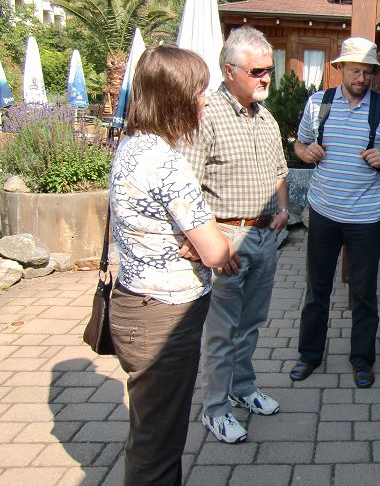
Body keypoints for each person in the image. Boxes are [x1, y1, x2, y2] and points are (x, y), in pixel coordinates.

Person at [109, 45, 239, 485]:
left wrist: (193, 238)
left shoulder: (130, 145)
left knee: (150, 433)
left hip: (134, 302)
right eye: (199, 92)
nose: (205, 101)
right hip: (164, 317)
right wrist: (215, 241)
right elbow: (216, 251)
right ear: (174, 99)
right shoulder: (167, 163)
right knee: (159, 447)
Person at [180, 26, 289, 444]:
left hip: (264, 237)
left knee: (252, 323)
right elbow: (187, 185)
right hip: (225, 236)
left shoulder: (267, 118)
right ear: (230, 71)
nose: (266, 77)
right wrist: (205, 242)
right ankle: (214, 409)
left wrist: (283, 210)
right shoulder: (206, 115)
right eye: (257, 71)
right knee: (223, 330)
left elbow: (279, 171)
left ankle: (242, 388)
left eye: (269, 69)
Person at [288, 37, 380, 389]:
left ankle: (362, 359)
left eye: (367, 72)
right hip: (324, 211)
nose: (361, 78)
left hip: (367, 216)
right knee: (317, 288)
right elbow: (300, 144)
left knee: (363, 291)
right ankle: (309, 355)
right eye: (355, 70)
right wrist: (306, 152)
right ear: (340, 68)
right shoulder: (318, 103)